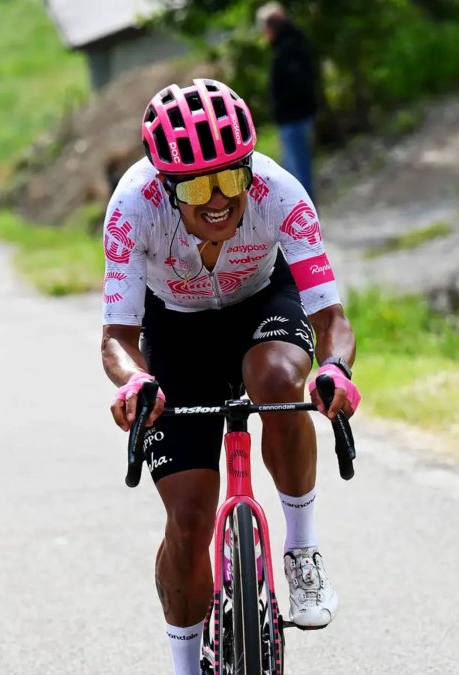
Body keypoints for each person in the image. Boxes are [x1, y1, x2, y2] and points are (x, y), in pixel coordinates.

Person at [100, 78, 358, 675]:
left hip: (262, 305)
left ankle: (301, 549)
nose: (217, 199)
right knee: (188, 523)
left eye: (230, 178)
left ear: (249, 169)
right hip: (176, 331)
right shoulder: (131, 207)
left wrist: (335, 370)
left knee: (275, 381)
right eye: (195, 184)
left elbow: (331, 318)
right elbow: (118, 337)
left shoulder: (280, 193)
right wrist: (135, 382)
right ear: (165, 186)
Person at [258, 1, 319, 199]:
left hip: (295, 119)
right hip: (292, 119)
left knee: (297, 176)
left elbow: (298, 85)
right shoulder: (291, 44)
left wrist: (285, 106)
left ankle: (307, 222)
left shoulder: (289, 49)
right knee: (293, 173)